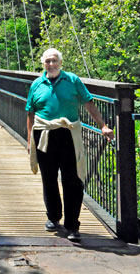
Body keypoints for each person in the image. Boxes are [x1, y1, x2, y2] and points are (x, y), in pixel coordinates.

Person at [26, 48, 114, 242]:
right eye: (47, 61)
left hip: (68, 133)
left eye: (54, 60)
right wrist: (29, 140)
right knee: (48, 178)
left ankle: (72, 225)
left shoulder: (73, 80)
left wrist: (103, 126)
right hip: (44, 134)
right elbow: (30, 112)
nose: (51, 64)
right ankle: (53, 217)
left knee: (73, 179)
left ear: (60, 62)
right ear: (43, 64)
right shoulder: (37, 84)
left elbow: (89, 103)